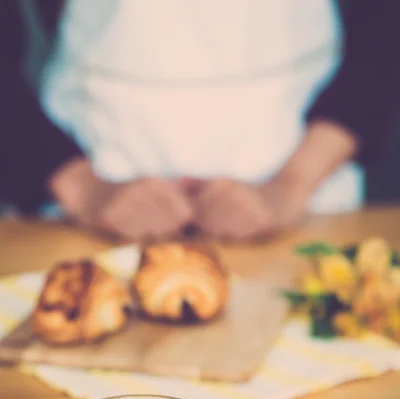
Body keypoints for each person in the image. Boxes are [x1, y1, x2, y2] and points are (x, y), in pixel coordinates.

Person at [1, 0, 400, 242]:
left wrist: (291, 185)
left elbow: (385, 26)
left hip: (306, 196)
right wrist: (85, 189)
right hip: (94, 176)